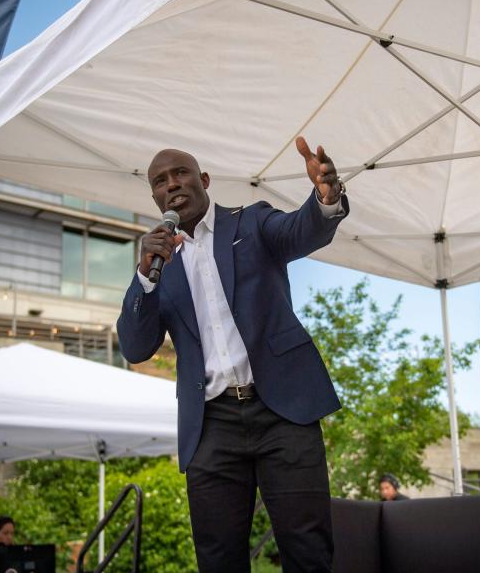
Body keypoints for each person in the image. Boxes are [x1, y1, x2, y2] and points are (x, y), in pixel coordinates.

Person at [117, 137, 348, 573]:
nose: (172, 185)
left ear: (203, 180)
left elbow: (302, 229)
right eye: (160, 182)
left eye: (181, 173)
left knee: (307, 548)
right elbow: (135, 346)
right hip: (211, 425)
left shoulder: (251, 222)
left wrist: (325, 197)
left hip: (282, 410)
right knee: (218, 557)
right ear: (154, 197)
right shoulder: (158, 263)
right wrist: (144, 280)